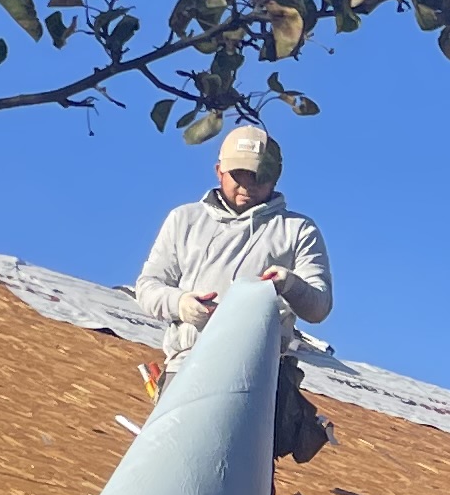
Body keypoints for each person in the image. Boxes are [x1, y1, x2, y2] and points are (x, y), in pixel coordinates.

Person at [133, 124, 332, 373]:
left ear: (275, 177)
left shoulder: (298, 229)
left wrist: (290, 284)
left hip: (259, 373)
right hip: (186, 365)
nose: (248, 185)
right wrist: (181, 303)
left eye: (260, 176)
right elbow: (148, 286)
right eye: (240, 174)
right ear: (219, 171)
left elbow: (319, 307)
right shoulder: (184, 219)